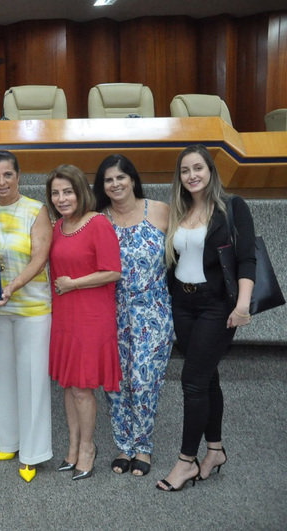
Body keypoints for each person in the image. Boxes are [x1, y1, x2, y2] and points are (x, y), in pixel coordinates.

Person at [156, 144, 255, 492]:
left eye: (198, 168)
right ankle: (215, 451)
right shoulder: (179, 210)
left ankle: (186, 461)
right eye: (185, 170)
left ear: (211, 171)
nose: (192, 175)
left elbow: (246, 259)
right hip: (183, 304)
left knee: (192, 381)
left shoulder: (232, 207)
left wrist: (242, 306)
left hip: (217, 305)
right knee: (207, 378)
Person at [92, 154, 173, 477]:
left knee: (144, 380)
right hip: (110, 313)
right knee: (115, 383)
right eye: (108, 180)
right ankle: (124, 446)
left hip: (153, 312)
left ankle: (143, 447)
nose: (115, 184)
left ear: (133, 179)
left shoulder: (160, 211)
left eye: (121, 177)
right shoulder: (98, 219)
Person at [0, 150, 53, 482]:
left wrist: (12, 286)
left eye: (7, 174)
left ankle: (33, 453)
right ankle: (9, 442)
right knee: (4, 375)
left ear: (19, 176)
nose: (2, 182)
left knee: (33, 378)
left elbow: (40, 257)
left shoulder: (36, 210)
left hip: (32, 309)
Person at [46, 164, 122, 481]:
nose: (62, 198)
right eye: (55, 193)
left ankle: (88, 448)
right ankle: (73, 446)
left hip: (91, 316)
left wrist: (74, 283)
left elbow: (113, 271)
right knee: (68, 384)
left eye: (68, 191)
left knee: (81, 388)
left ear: (80, 192)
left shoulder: (98, 223)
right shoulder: (58, 227)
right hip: (65, 315)